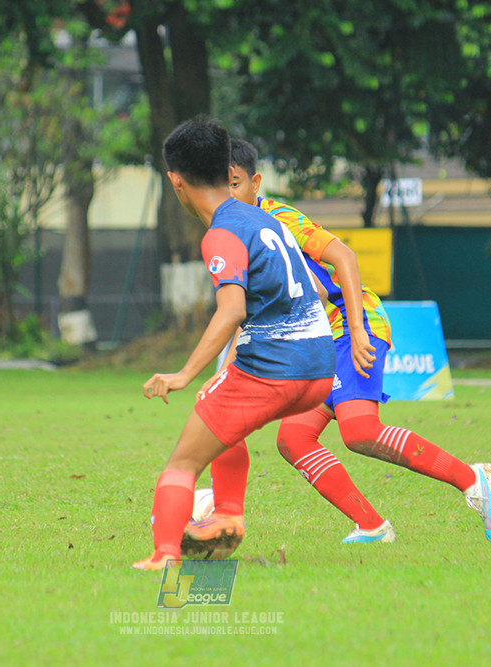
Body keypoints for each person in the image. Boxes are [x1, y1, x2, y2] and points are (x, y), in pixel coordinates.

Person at [182, 138, 491, 555]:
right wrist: (226, 369)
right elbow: (245, 311)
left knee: (360, 430)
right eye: (221, 187)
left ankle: (472, 479)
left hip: (350, 326)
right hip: (314, 341)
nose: (229, 195)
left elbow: (345, 258)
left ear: (255, 183)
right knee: (294, 439)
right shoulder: (229, 236)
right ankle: (371, 525)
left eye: (236, 183)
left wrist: (359, 331)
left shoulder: (276, 218)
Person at [133, 117, 336, 571]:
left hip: (274, 370)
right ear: (230, 172)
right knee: (221, 418)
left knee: (182, 463)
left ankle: (164, 556)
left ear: (175, 181)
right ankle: (224, 515)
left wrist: (183, 373)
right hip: (321, 368)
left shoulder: (221, 232)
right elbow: (317, 291)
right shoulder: (266, 219)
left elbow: (231, 310)